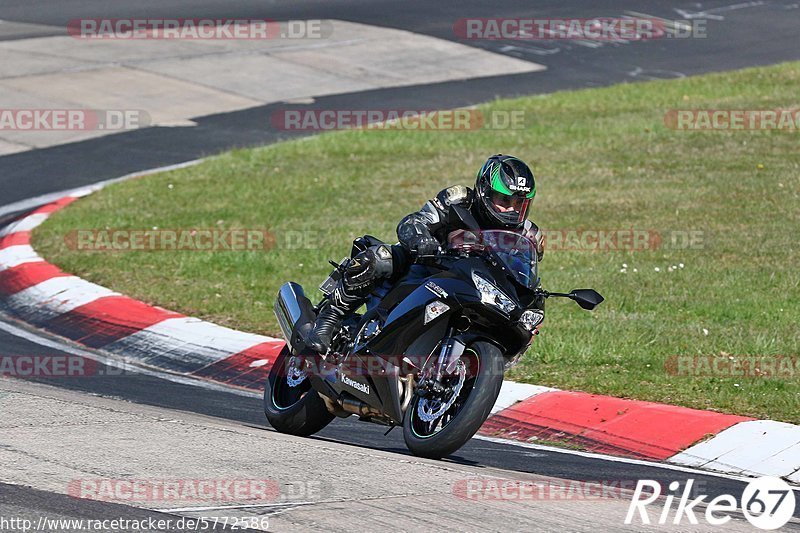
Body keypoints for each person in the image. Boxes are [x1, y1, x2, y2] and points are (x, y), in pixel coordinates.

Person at [306, 154, 545, 354]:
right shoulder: (459, 199)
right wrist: (422, 240)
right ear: (485, 191)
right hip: (428, 265)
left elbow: (524, 272)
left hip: (475, 285)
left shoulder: (529, 234)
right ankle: (330, 317)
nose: (512, 209)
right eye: (504, 200)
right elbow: (414, 221)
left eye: (519, 203)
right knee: (379, 258)